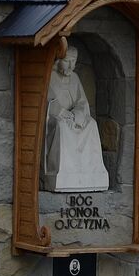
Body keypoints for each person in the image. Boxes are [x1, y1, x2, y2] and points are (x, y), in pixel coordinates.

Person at [41, 46, 109, 192]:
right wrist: (62, 112)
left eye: (74, 61)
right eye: (67, 61)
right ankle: (64, 171)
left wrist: (77, 114)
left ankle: (92, 171)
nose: (71, 66)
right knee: (62, 126)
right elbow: (47, 100)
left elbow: (82, 101)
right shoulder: (49, 76)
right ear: (58, 60)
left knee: (92, 124)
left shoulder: (75, 78)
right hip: (56, 117)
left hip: (74, 116)